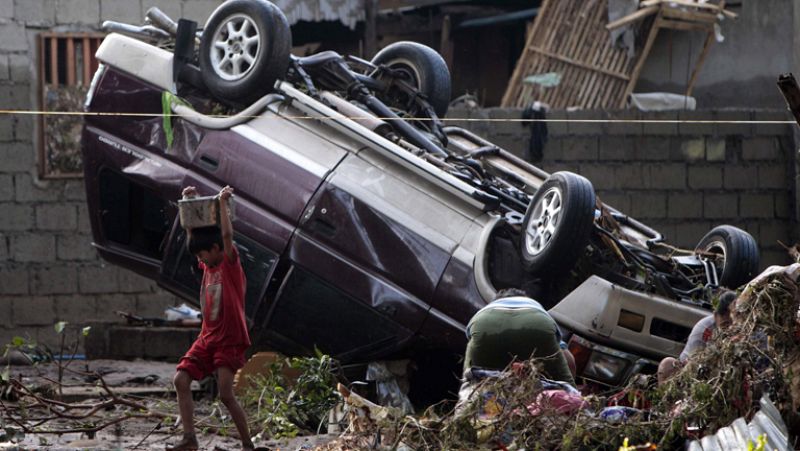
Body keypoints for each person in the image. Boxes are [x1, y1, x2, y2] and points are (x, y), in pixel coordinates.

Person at [168, 185, 254, 451]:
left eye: (203, 254)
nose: (200, 259)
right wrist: (189, 201)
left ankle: (247, 445)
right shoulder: (209, 265)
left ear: (217, 249)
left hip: (229, 339)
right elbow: (193, 235)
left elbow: (226, 235)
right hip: (208, 338)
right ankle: (190, 439)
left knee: (226, 394)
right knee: (180, 380)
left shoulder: (229, 265)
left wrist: (223, 205)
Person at [464, 288, 575, 386]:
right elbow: (569, 359)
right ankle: (576, 407)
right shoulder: (533, 308)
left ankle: (465, 407)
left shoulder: (488, 309)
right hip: (537, 324)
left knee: (471, 385)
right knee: (568, 391)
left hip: (483, 323)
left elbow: (472, 339)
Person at [657, 291, 736, 385]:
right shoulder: (705, 329)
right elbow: (695, 364)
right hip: (691, 371)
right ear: (715, 316)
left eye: (732, 323)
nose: (729, 328)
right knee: (667, 364)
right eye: (725, 324)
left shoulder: (741, 328)